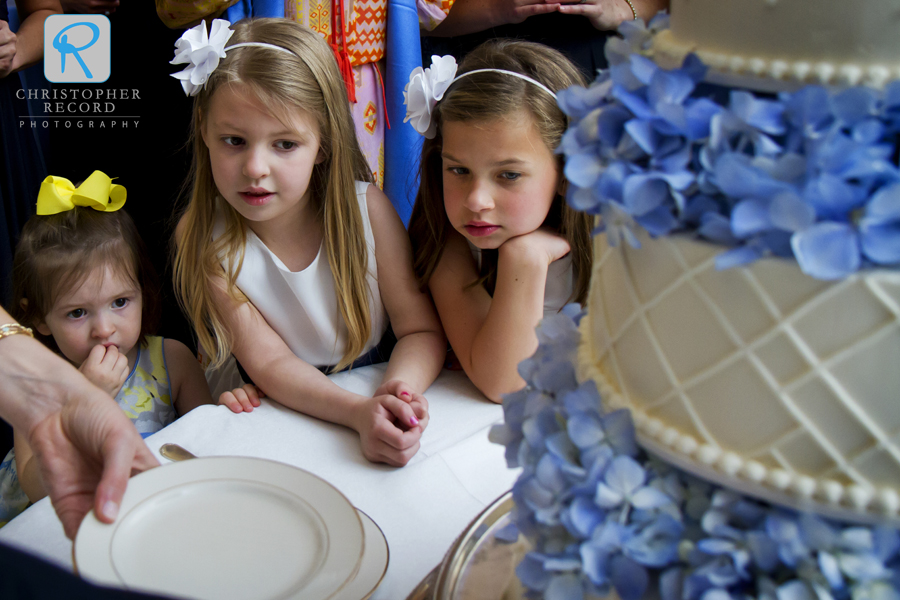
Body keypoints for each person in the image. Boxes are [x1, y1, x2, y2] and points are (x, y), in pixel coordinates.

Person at [171, 19, 445, 467]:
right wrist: (358, 414)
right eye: (234, 141)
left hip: (378, 378)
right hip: (284, 407)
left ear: (323, 143)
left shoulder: (367, 212)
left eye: (284, 144)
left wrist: (397, 393)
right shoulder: (203, 236)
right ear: (203, 129)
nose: (255, 167)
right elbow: (271, 363)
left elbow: (419, 330)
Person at [0, 172, 233, 526]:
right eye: (77, 313)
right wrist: (85, 398)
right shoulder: (36, 382)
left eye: (120, 302)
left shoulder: (174, 361)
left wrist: (232, 404)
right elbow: (36, 491)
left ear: (142, 290)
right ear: (40, 318)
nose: (104, 328)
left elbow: (205, 443)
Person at [406, 40, 593, 403]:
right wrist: (525, 258)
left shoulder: (617, 240)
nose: (477, 200)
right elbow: (504, 383)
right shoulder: (449, 249)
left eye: (508, 175)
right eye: (458, 169)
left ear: (568, 172)